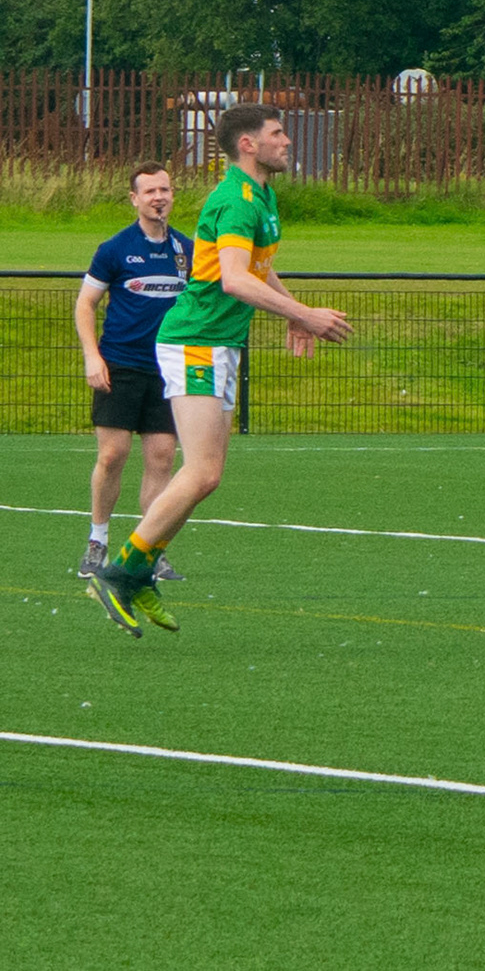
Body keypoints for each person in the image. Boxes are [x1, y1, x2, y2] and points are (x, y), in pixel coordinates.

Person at [85, 105, 353, 638]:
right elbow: (233, 279)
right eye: (278, 133)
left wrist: (292, 309)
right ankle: (120, 573)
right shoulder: (234, 200)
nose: (288, 141)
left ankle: (134, 572)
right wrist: (304, 314)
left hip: (217, 344)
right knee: (202, 471)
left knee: (206, 476)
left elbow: (255, 266)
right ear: (248, 144)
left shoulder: (260, 196)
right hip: (196, 342)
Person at [73, 162, 192, 580]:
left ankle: (148, 551)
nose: (159, 197)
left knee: (162, 458)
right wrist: (93, 356)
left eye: (165, 190)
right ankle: (98, 541)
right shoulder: (115, 249)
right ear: (134, 199)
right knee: (112, 455)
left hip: (168, 369)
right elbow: (85, 304)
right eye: (150, 191)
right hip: (120, 365)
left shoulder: (187, 250)